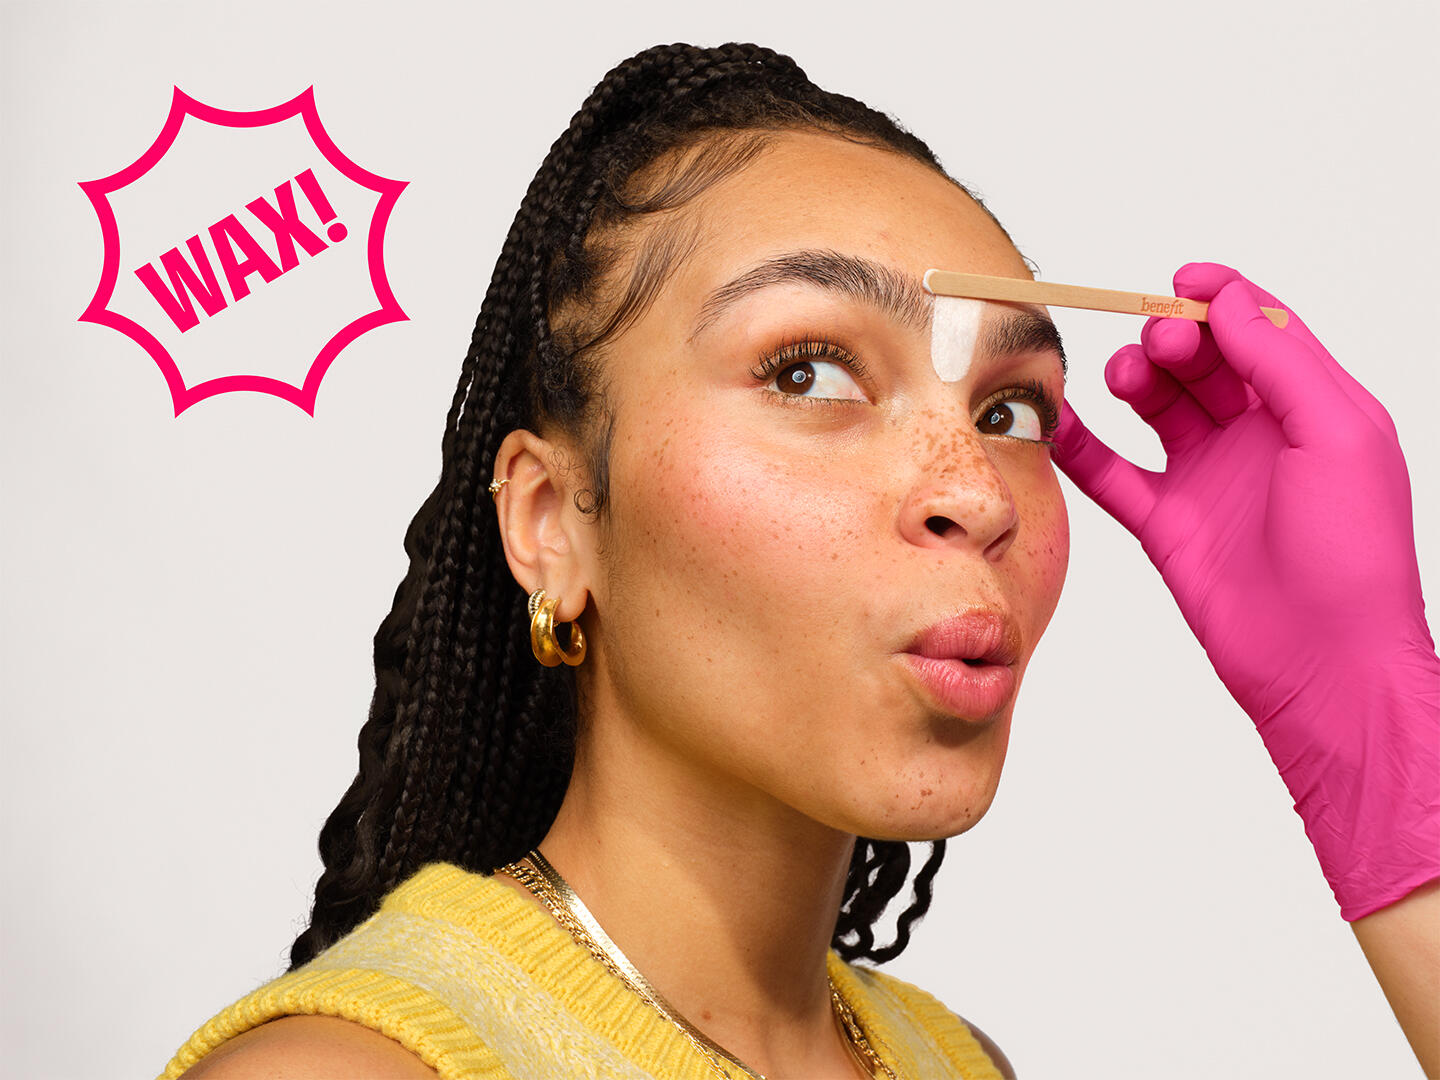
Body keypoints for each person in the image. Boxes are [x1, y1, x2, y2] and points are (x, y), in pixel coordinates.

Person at [157, 41, 1440, 1080]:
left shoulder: (952, 1064)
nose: (973, 492)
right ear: (552, 521)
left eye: (1010, 410)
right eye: (808, 374)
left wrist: (1376, 734)